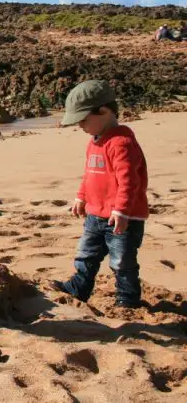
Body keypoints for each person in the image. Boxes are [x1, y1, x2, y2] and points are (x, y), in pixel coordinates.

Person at [51, 80, 149, 308]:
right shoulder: (94, 142)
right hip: (96, 214)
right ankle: (79, 287)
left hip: (122, 217)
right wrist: (81, 196)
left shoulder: (121, 143)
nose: (80, 126)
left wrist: (122, 210)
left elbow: (129, 181)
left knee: (122, 261)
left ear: (104, 112)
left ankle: (127, 297)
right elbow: (90, 174)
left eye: (83, 120)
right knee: (86, 254)